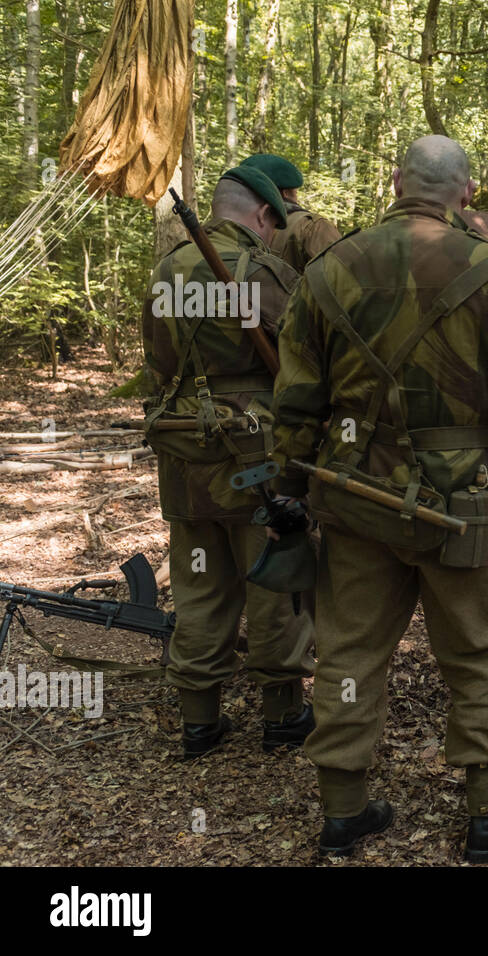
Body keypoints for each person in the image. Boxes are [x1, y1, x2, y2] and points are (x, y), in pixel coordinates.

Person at [269, 135, 488, 860]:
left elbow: (296, 401)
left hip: (353, 497)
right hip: (463, 504)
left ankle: (344, 811)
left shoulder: (329, 268)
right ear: (466, 192)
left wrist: (288, 488)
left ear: (398, 179)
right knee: (486, 654)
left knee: (349, 653)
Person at [141, 166, 315, 760]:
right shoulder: (263, 272)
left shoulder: (166, 271)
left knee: (198, 586)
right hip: (254, 452)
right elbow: (305, 359)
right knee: (273, 578)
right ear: (264, 215)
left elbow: (157, 362)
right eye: (276, 224)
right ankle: (283, 715)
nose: (274, 235)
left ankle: (200, 722)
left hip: (184, 448)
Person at [240, 152, 342, 272]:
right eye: (296, 191)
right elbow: (341, 279)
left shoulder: (233, 226)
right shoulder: (313, 227)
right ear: (286, 192)